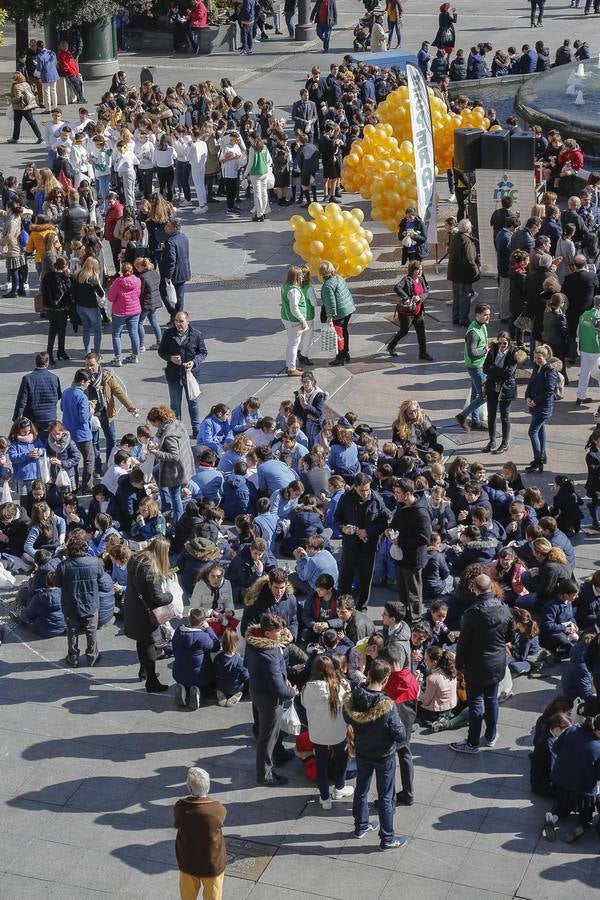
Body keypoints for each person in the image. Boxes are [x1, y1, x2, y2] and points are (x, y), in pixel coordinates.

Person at [343, 658, 407, 849]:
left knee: (361, 790)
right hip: (383, 756)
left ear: (369, 674)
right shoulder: (387, 705)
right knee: (386, 796)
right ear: (386, 678)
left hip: (362, 751)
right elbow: (400, 734)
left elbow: (347, 716)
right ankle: (387, 838)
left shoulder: (355, 696)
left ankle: (361, 826)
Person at [449, 574, 513, 754]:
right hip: (497, 662)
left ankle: (472, 743)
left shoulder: (472, 613)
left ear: (474, 589)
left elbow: (463, 644)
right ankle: (491, 735)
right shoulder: (503, 608)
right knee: (492, 699)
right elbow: (510, 636)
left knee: (476, 702)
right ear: (491, 587)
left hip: (476, 665)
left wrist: (459, 664)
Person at [245, 611, 296, 786]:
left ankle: (279, 754)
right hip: (269, 701)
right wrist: (293, 692)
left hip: (257, 691)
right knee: (267, 737)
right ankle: (265, 775)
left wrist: (283, 676)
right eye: (277, 631)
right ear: (267, 633)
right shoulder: (268, 655)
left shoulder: (254, 640)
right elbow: (280, 690)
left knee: (270, 733)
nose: (281, 633)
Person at [301, 655, 353, 809]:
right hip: (337, 732)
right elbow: (348, 705)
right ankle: (339, 787)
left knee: (321, 763)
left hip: (318, 733)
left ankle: (325, 798)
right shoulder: (338, 687)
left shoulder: (307, 688)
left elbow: (304, 704)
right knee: (342, 757)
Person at [123, 537, 174, 693]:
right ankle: (152, 681)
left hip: (133, 608)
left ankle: (143, 671)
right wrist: (170, 596)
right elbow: (157, 597)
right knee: (150, 643)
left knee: (142, 642)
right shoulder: (152, 568)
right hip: (146, 614)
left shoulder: (136, 559)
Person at [335, 473, 389, 611]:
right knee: (345, 577)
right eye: (362, 490)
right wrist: (343, 529)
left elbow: (383, 523)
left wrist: (368, 532)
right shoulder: (345, 498)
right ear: (355, 487)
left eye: (367, 489)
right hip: (350, 544)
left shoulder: (377, 499)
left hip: (368, 546)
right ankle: (343, 606)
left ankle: (362, 607)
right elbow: (337, 519)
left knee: (366, 578)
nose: (365, 493)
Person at [543, 715, 600, 843]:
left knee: (563, 806)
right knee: (586, 812)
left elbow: (555, 748)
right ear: (598, 731)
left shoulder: (572, 730)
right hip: (583, 791)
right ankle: (581, 826)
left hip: (559, 783)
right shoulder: (598, 747)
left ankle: (553, 818)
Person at [173, 766, 227, 900]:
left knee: (187, 896)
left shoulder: (181, 807)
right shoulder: (217, 809)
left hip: (188, 861)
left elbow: (177, 823)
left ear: (190, 787)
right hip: (212, 863)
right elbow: (221, 820)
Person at [54, 534, 106, 668]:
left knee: (72, 631)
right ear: (85, 548)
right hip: (91, 603)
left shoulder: (63, 566)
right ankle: (92, 657)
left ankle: (73, 657)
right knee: (91, 630)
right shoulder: (95, 562)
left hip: (71, 604)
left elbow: (57, 583)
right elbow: (101, 580)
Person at [158, 311, 207, 435]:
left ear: (187, 321)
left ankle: (196, 429)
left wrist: (194, 362)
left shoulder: (196, 334)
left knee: (193, 402)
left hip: (191, 375)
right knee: (175, 403)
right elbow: (161, 351)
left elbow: (203, 352)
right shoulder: (168, 334)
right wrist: (170, 358)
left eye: (181, 321)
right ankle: (176, 429)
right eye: (176, 321)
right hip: (174, 375)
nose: (178, 324)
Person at [390, 478, 432, 624]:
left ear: (407, 494)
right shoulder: (403, 507)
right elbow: (396, 523)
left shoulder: (420, 513)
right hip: (401, 557)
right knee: (403, 591)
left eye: (397, 493)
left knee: (413, 593)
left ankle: (415, 620)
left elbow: (424, 539)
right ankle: (404, 617)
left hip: (413, 559)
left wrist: (400, 541)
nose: (395, 495)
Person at [148, 405, 195, 524]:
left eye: (153, 422)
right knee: (156, 471)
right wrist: (157, 444)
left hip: (176, 470)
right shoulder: (176, 423)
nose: (153, 425)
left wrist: (156, 452)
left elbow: (175, 456)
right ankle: (166, 505)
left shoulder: (169, 435)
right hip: (184, 462)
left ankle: (177, 522)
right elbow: (161, 434)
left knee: (175, 497)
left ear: (158, 420)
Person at [386, 260, 433, 362]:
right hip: (407, 313)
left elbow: (426, 292)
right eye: (418, 269)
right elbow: (397, 287)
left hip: (418, 311)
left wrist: (420, 298)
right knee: (404, 331)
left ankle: (423, 353)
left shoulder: (421, 279)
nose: (420, 272)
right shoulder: (406, 279)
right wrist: (406, 297)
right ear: (412, 270)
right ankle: (391, 345)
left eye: (421, 269)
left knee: (421, 333)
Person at [456, 303, 490, 432]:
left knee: (476, 393)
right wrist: (485, 350)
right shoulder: (473, 332)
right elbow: (472, 353)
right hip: (476, 367)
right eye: (485, 315)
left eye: (488, 314)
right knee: (484, 396)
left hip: (480, 365)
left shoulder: (482, 326)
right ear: (477, 315)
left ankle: (475, 421)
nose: (488, 317)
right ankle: (462, 416)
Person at [14, 353, 62, 445]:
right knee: (48, 445)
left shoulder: (27, 379)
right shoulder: (54, 378)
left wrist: (16, 419)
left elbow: (21, 401)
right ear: (47, 363)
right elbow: (59, 395)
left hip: (33, 418)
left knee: (33, 445)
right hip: (50, 418)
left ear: (35, 363)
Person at [525, 344, 558, 473]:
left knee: (532, 432)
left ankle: (537, 461)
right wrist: (527, 397)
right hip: (535, 405)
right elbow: (531, 383)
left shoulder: (550, 371)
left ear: (546, 357)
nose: (536, 360)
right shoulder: (537, 368)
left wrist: (535, 401)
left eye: (539, 358)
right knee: (540, 429)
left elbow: (549, 391)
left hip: (543, 407)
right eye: (535, 357)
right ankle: (542, 455)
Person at [482, 331, 518, 454]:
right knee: (491, 415)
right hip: (492, 385)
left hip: (506, 387)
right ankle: (492, 441)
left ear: (509, 342)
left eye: (505, 343)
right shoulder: (493, 350)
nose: (502, 345)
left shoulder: (514, 353)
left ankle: (504, 442)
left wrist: (494, 369)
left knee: (504, 416)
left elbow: (509, 373)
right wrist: (498, 370)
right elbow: (485, 368)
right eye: (500, 343)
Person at [60, 369, 94, 494]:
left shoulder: (66, 392)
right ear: (82, 381)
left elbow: (62, 408)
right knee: (89, 459)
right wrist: (91, 411)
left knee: (73, 459)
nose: (89, 383)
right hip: (82, 434)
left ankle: (73, 485)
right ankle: (86, 486)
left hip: (68, 432)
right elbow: (83, 418)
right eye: (88, 381)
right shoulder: (82, 396)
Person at [319, 260, 356, 367]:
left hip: (339, 313)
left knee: (339, 335)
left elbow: (330, 303)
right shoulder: (338, 277)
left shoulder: (327, 285)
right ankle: (345, 352)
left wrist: (330, 317)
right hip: (348, 309)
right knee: (344, 332)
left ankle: (340, 358)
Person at [107, 261, 142, 366]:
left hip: (119, 312)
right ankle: (135, 356)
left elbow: (111, 297)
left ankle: (118, 359)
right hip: (135, 310)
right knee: (134, 333)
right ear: (132, 271)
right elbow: (139, 293)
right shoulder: (137, 280)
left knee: (116, 335)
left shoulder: (118, 282)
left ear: (122, 271)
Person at [280, 265, 311, 377]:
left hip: (286, 318)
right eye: (301, 276)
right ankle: (292, 369)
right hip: (294, 321)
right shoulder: (294, 290)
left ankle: (290, 365)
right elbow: (294, 308)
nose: (302, 277)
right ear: (297, 277)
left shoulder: (286, 286)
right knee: (294, 344)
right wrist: (302, 319)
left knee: (291, 343)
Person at [447, 219, 479, 327]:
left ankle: (456, 317)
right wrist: (476, 272)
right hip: (464, 274)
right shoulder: (466, 241)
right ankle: (464, 319)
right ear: (468, 229)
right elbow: (470, 259)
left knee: (456, 296)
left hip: (455, 273)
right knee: (465, 297)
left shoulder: (455, 237)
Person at [71, 257, 105, 356]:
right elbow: (101, 294)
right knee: (97, 330)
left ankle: (87, 351)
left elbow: (72, 291)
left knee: (86, 329)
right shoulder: (93, 279)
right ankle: (97, 354)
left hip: (80, 307)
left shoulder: (77, 276)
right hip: (92, 307)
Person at [41, 257, 72, 364]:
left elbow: (43, 290)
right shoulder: (62, 277)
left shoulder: (47, 276)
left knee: (54, 329)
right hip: (60, 307)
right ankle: (58, 351)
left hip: (49, 307)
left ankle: (57, 351)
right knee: (60, 329)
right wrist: (68, 278)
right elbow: (62, 292)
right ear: (65, 266)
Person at [159, 219, 191, 317]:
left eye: (168, 226)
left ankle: (174, 314)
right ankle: (179, 315)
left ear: (174, 228)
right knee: (180, 296)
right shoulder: (183, 237)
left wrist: (168, 276)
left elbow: (171, 260)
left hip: (175, 273)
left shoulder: (170, 241)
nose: (165, 228)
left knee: (163, 291)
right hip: (184, 270)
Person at [8, 72, 42, 145]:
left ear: (16, 79)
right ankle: (39, 137)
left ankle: (15, 138)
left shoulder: (16, 86)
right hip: (28, 106)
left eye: (13, 78)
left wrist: (12, 100)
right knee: (32, 122)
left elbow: (18, 98)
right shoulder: (26, 84)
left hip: (19, 107)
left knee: (17, 123)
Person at [246, 132, 272, 223]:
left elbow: (250, 163)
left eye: (249, 138)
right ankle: (263, 212)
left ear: (252, 138)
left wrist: (245, 173)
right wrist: (264, 167)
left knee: (257, 194)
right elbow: (269, 160)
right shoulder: (264, 147)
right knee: (264, 192)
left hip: (255, 173)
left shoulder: (252, 148)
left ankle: (259, 214)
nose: (249, 139)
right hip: (264, 173)